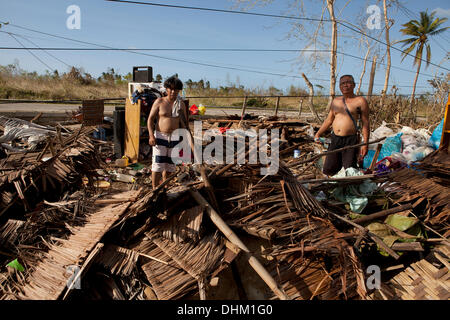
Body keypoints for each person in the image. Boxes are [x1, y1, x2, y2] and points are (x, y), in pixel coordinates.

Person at [314, 75, 370, 176]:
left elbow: (365, 123)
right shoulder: (336, 101)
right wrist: (318, 133)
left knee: (349, 169)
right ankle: (331, 189)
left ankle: (347, 190)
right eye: (342, 83)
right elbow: (328, 120)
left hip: (350, 140)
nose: (345, 85)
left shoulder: (360, 101)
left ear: (353, 85)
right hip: (335, 139)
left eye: (348, 82)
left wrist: (365, 144)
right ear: (339, 86)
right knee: (329, 168)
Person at [147, 75, 188, 189]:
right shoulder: (159, 102)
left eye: (176, 90)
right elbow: (150, 119)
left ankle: (166, 187)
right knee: (158, 165)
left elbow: (184, 122)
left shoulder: (180, 104)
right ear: (166, 89)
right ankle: (155, 188)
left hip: (174, 137)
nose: (174, 92)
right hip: (160, 136)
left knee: (170, 165)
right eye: (171, 89)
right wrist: (151, 136)